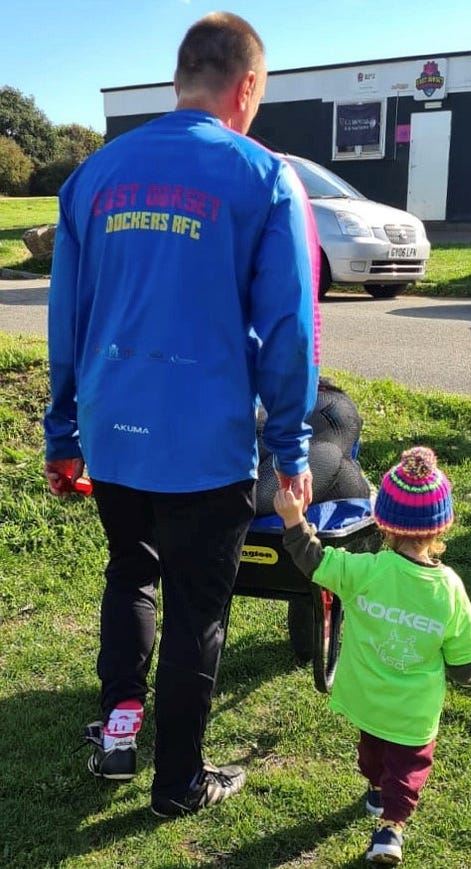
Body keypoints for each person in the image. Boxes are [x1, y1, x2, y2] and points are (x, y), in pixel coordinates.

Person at [43, 12, 319, 818]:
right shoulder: (262, 176)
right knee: (200, 604)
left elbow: (67, 318)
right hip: (206, 443)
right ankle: (178, 781)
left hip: (113, 429)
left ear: (180, 78)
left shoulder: (93, 177)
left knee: (131, 569)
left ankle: (121, 731)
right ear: (248, 87)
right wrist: (291, 442)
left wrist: (63, 433)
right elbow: (290, 329)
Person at [273, 446, 471, 865]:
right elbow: (463, 661)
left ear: (382, 521)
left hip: (366, 699)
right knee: (407, 771)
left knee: (371, 754)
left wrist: (294, 520)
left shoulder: (365, 572)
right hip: (413, 712)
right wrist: (469, 674)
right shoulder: (449, 590)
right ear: (442, 525)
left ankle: (375, 792)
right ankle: (391, 829)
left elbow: (314, 562)